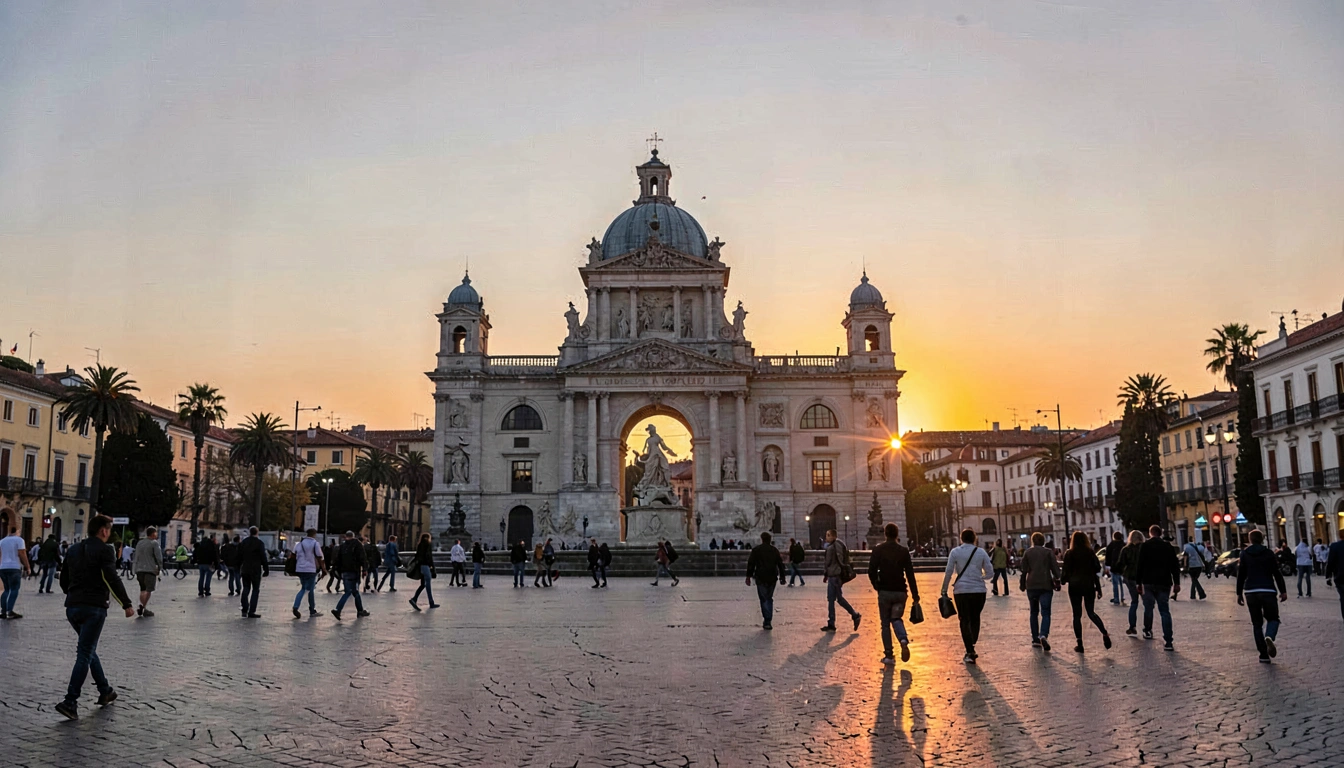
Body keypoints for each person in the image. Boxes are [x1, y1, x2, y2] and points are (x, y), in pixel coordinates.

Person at [52, 515, 135, 721]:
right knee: (85, 652)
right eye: (109, 530)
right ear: (103, 531)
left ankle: (105, 690)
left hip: (72, 606)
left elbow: (64, 577)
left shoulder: (73, 549)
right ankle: (70, 701)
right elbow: (111, 577)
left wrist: (72, 593)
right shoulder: (105, 550)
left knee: (87, 649)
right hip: (94, 607)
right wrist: (126, 603)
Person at [868, 523, 919, 664]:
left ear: (885, 534)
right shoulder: (903, 551)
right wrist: (915, 595)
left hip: (885, 591)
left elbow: (871, 571)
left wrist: (877, 586)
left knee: (885, 624)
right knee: (896, 619)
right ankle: (903, 639)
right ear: (897, 534)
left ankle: (889, 655)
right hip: (900, 592)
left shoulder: (878, 550)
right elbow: (910, 574)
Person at [941, 528, 993, 663]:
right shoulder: (981, 552)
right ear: (974, 538)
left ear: (961, 538)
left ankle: (969, 650)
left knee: (964, 619)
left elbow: (948, 572)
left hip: (961, 591)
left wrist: (944, 589)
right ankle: (972, 643)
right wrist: (980, 578)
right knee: (975, 617)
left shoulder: (955, 552)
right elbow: (990, 572)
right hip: (979, 590)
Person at [1235, 529, 1288, 663]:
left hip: (1251, 591)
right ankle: (1269, 635)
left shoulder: (1244, 554)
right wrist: (1283, 590)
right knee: (1273, 618)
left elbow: (1241, 574)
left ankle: (1263, 655)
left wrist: (1239, 593)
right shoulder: (1269, 553)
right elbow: (1276, 573)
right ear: (1262, 539)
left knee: (1257, 623)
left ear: (1250, 539)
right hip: (1268, 589)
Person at [1062, 530, 1110, 653]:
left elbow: (1065, 571)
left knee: (1076, 615)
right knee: (1091, 612)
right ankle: (1104, 633)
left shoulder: (1069, 553)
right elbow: (1096, 570)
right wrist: (1098, 588)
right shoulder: (1090, 553)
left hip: (1074, 586)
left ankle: (1080, 644)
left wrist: (1063, 580)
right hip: (1088, 585)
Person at [1135, 524, 1181, 651]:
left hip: (1148, 582)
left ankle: (1147, 630)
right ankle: (1168, 641)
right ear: (1160, 534)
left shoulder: (1145, 546)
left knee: (1148, 608)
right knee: (1164, 611)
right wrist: (1177, 583)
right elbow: (1175, 566)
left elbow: (1140, 565)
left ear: (1150, 533)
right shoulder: (1168, 547)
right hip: (1164, 582)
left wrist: (1138, 583)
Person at [1020, 531, 1060, 651]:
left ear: (1032, 541)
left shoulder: (1028, 552)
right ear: (1043, 541)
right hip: (1046, 585)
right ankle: (1043, 634)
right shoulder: (1048, 552)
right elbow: (1055, 569)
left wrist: (1022, 584)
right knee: (1046, 612)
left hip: (1032, 585)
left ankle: (1035, 639)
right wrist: (1058, 580)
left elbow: (1024, 570)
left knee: (1033, 612)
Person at [745, 531, 787, 630]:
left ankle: (767, 620)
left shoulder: (756, 550)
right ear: (770, 540)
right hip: (772, 577)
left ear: (762, 539)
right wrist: (782, 577)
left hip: (761, 577)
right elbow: (780, 564)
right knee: (769, 598)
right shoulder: (774, 550)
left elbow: (751, 564)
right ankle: (768, 620)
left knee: (763, 599)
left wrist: (748, 576)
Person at [821, 529, 860, 632]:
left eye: (828, 535)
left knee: (833, 599)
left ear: (832, 536)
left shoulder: (831, 547)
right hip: (836, 576)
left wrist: (826, 573)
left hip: (834, 576)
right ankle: (835, 621)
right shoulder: (839, 544)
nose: (826, 537)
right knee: (837, 599)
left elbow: (828, 563)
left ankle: (853, 616)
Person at [331, 531, 371, 620]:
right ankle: (338, 609)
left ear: (346, 536)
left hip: (344, 571)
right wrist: (365, 569)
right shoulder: (357, 544)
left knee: (355, 591)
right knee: (349, 592)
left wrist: (337, 570)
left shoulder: (343, 545)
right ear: (353, 536)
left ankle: (360, 610)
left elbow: (338, 559)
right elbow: (363, 557)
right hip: (354, 571)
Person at [291, 528, 326, 619]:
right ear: (314, 534)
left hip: (300, 569)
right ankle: (311, 610)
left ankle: (297, 606)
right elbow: (320, 557)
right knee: (309, 590)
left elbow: (293, 555)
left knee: (304, 588)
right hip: (311, 569)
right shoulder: (315, 544)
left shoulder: (299, 544)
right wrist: (323, 570)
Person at [237, 526, 269, 618]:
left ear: (250, 532)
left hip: (245, 568)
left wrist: (239, 567)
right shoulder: (259, 543)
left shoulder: (244, 542)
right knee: (255, 590)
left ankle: (244, 608)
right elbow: (263, 557)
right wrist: (266, 569)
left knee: (246, 588)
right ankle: (251, 611)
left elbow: (239, 555)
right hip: (255, 569)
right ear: (257, 533)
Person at [1117, 530, 1145, 635]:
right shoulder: (1144, 548)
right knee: (1146, 603)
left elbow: (1120, 564)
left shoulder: (1126, 549)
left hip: (1129, 577)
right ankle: (1147, 627)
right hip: (1142, 578)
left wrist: (1123, 573)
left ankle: (1132, 626)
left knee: (1134, 602)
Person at [132, 526, 164, 618]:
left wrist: (134, 569)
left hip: (139, 569)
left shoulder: (140, 543)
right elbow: (159, 557)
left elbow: (136, 556)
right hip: (150, 569)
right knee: (148, 589)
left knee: (142, 589)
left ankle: (141, 606)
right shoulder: (154, 543)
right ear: (153, 533)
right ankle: (143, 607)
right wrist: (160, 568)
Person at [0, 527, 30, 619]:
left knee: (6, 589)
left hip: (3, 567)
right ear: (17, 531)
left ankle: (3, 611)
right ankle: (9, 611)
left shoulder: (2, 541)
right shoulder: (19, 540)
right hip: (14, 567)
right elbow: (22, 553)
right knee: (14, 589)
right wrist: (27, 566)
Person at [408, 532, 438, 610]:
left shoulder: (420, 545)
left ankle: (414, 599)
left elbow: (417, 556)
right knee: (428, 584)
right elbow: (429, 557)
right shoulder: (427, 545)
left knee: (423, 584)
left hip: (421, 566)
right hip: (425, 566)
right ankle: (431, 603)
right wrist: (433, 568)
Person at [1326, 529, 1344, 621]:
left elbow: (1330, 562)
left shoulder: (1334, 546)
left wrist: (1328, 576)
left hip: (1340, 577)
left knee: (1343, 598)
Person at [1103, 531, 1126, 605]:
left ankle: (1116, 598)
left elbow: (1107, 556)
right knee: (1122, 584)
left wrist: (1107, 565)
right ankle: (1122, 597)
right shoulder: (1124, 545)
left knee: (1115, 584)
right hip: (1123, 568)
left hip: (1114, 567)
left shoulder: (1111, 545)